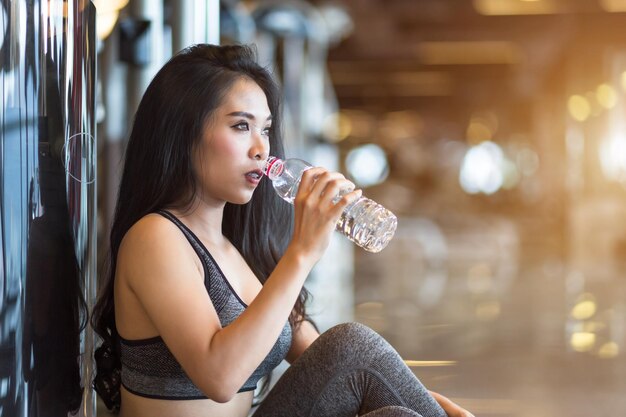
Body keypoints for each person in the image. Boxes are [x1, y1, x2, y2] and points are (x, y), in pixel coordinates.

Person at [91, 43, 474, 417]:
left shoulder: (238, 249)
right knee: (353, 344)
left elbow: (338, 364)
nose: (262, 149)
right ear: (183, 133)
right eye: (241, 126)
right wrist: (303, 251)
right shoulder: (155, 237)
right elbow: (220, 377)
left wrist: (415, 395)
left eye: (266, 129)